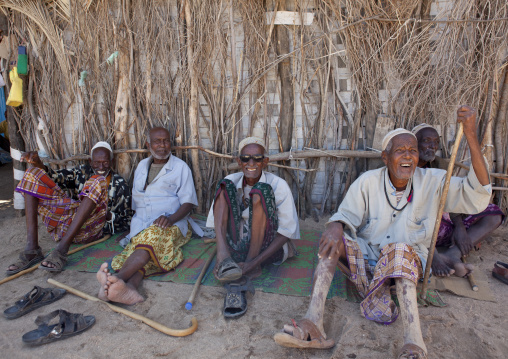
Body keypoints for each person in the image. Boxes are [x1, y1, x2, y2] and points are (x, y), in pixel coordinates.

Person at [274, 106, 491, 358]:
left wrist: (472, 136)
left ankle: (414, 341)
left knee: (398, 251)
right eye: (400, 151)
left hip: (407, 265)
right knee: (331, 240)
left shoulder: (434, 180)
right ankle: (313, 320)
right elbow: (345, 216)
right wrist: (335, 225)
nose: (408, 156)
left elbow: (479, 194)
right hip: (368, 262)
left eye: (413, 150)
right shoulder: (368, 181)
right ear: (385, 157)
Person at [97, 127, 202, 305]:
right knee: (145, 252)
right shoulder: (141, 166)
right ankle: (129, 288)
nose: (162, 145)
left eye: (166, 141)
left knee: (150, 241)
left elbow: (188, 203)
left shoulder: (180, 168)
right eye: (157, 141)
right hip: (142, 224)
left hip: (172, 224)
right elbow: (137, 203)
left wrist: (171, 218)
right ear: (148, 144)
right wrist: (131, 231)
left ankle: (116, 278)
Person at [206, 137, 299, 317]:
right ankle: (224, 256)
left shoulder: (279, 185)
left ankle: (252, 264)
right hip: (236, 245)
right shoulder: (231, 180)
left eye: (257, 158)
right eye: (246, 158)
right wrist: (221, 254)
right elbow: (217, 223)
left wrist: (253, 263)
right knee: (224, 186)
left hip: (267, 248)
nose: (251, 163)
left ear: (265, 161)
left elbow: (286, 233)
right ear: (239, 161)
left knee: (260, 191)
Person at [6, 142, 132, 275]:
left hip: (92, 229)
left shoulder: (120, 185)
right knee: (32, 172)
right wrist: (37, 163)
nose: (101, 167)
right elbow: (52, 177)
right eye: (96, 162)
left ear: (111, 162)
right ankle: (32, 249)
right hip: (68, 225)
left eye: (105, 162)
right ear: (90, 161)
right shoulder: (81, 172)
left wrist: (108, 216)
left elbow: (128, 221)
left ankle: (61, 251)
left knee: (97, 180)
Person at [412, 123, 504, 277]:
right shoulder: (404, 167)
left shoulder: (440, 165)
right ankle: (432, 255)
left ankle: (452, 254)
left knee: (493, 215)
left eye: (436, 142)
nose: (432, 146)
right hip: (420, 228)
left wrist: (459, 228)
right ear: (414, 143)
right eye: (427, 141)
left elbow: (451, 196)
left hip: (445, 223)